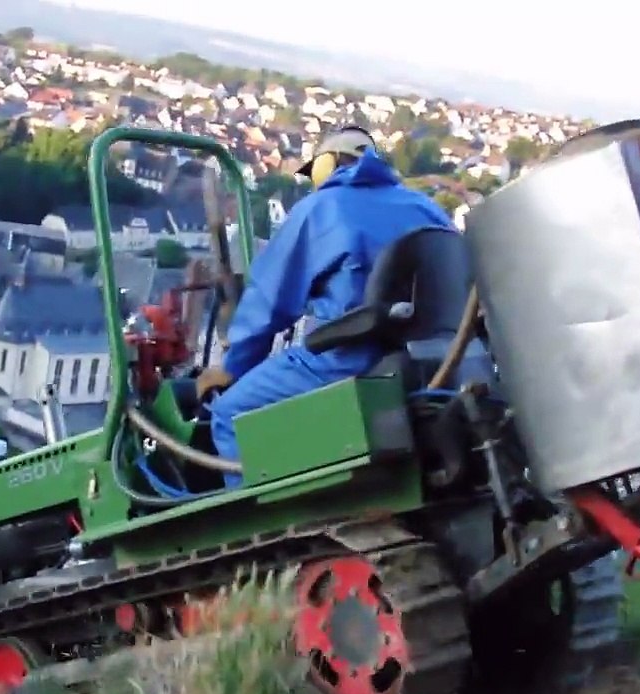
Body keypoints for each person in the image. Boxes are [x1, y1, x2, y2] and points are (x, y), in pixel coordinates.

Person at [195, 126, 455, 487]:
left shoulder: (321, 208)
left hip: (348, 358)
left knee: (229, 415)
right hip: (434, 358)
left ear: (325, 164)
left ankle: (260, 531)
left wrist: (234, 365)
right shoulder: (426, 206)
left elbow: (269, 302)